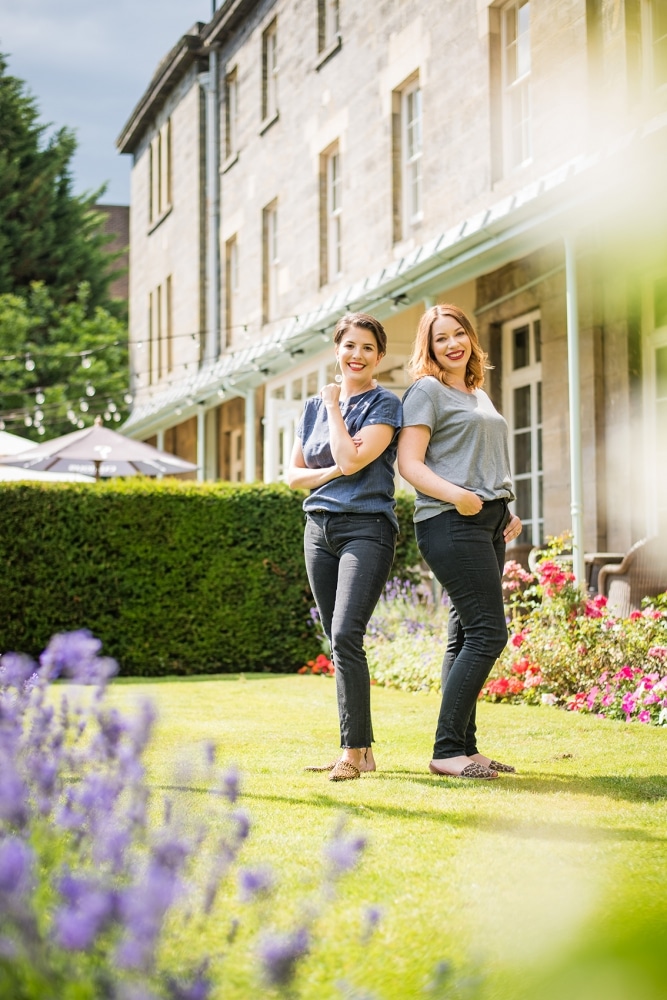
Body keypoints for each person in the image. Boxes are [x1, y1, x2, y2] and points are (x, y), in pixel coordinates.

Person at [397, 303, 522, 780]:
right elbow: (410, 464)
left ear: (470, 337)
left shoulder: (476, 391)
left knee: (466, 634)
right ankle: (446, 750)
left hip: (488, 520)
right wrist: (460, 497)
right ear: (428, 348)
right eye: (440, 338)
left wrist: (504, 507)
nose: (452, 344)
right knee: (491, 632)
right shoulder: (425, 391)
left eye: (458, 334)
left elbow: (482, 457)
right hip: (450, 519)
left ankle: (465, 750)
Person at [287, 312, 402, 781]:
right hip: (319, 528)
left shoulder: (385, 405)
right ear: (337, 350)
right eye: (350, 346)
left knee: (346, 634)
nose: (357, 355)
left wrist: (335, 406)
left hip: (366, 528)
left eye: (368, 348)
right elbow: (293, 475)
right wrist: (333, 470)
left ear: (379, 357)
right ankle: (363, 751)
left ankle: (352, 752)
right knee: (337, 644)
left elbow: (355, 460)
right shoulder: (310, 410)